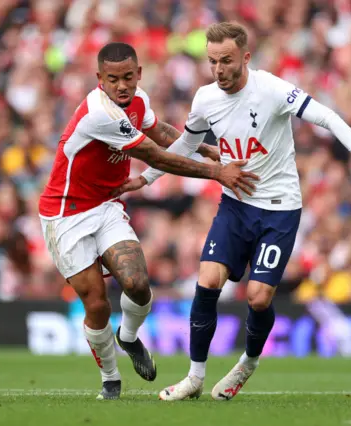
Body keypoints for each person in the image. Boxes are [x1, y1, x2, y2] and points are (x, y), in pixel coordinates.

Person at [118, 22, 351, 401]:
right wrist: (145, 179)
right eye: (212, 62)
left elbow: (326, 116)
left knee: (258, 298)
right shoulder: (205, 99)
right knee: (208, 279)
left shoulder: (272, 90)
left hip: (279, 209)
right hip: (236, 205)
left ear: (245, 57)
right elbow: (184, 146)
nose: (219, 69)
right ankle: (194, 377)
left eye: (226, 60)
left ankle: (249, 361)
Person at [39, 42, 258, 400]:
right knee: (96, 303)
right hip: (65, 213)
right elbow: (157, 156)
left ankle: (128, 336)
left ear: (139, 74)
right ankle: (110, 378)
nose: (122, 85)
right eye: (113, 79)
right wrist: (217, 171)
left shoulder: (138, 100)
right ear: (100, 80)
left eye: (128, 77)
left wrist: (207, 148)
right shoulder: (100, 113)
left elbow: (163, 134)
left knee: (138, 283)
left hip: (106, 205)